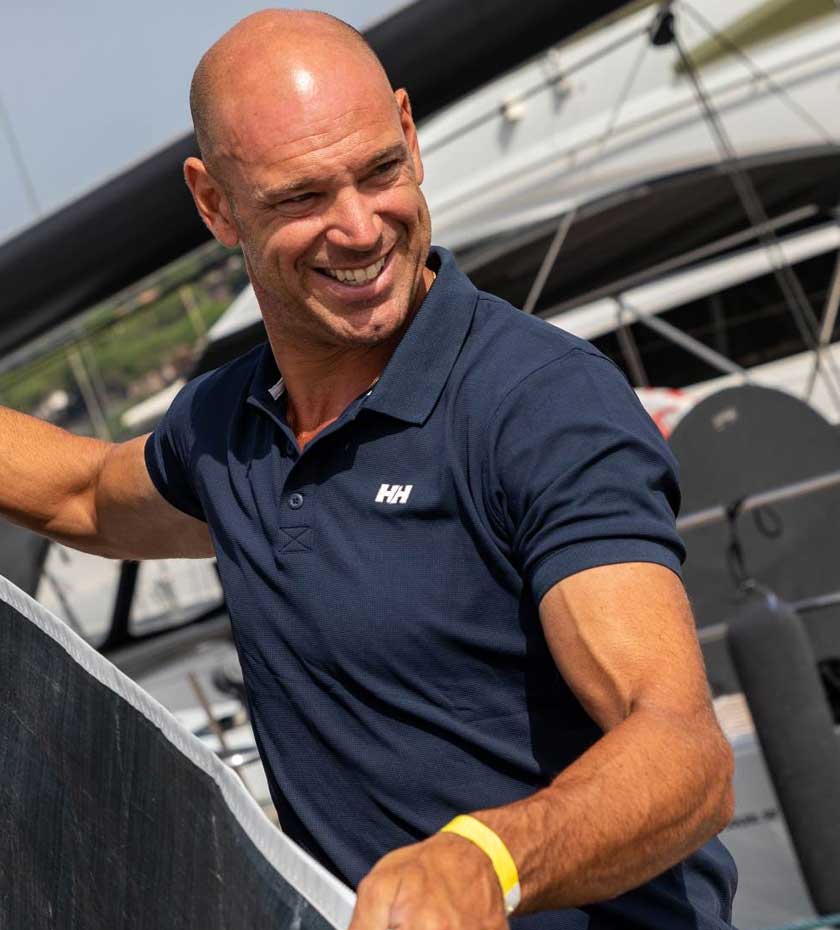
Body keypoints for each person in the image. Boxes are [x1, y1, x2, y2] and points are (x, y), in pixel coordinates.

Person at [0, 10, 737, 929]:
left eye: (380, 171)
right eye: (300, 198)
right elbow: (82, 495)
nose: (359, 227)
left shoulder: (539, 403)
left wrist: (487, 861)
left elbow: (680, 746)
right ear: (215, 203)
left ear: (409, 130)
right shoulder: (225, 427)